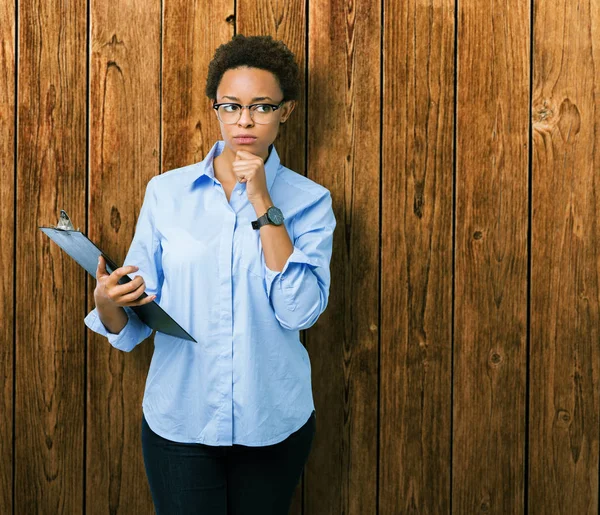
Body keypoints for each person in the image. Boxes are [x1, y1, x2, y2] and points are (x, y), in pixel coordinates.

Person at [84, 34, 336, 514]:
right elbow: (136, 317)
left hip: (271, 422)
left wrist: (263, 201)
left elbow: (299, 310)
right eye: (231, 105)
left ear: (287, 111)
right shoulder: (166, 193)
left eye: (262, 106)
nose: (245, 121)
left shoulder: (310, 201)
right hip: (182, 420)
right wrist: (107, 300)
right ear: (214, 108)